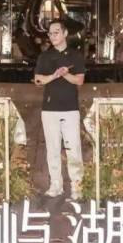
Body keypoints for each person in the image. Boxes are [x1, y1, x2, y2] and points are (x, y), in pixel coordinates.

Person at [33, 19, 86, 200]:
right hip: (49, 109)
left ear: (65, 33)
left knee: (73, 149)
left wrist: (66, 74)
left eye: (56, 32)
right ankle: (56, 185)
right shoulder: (45, 56)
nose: (52, 36)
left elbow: (79, 80)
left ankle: (77, 186)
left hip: (70, 108)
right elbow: (38, 80)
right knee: (52, 149)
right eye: (50, 33)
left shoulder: (75, 55)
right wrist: (54, 75)